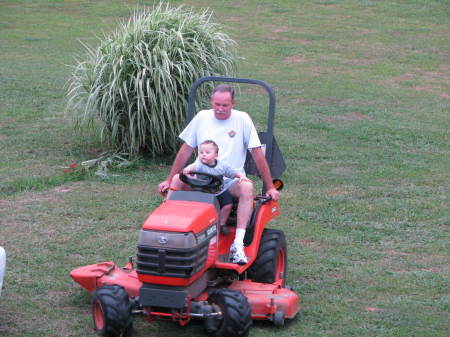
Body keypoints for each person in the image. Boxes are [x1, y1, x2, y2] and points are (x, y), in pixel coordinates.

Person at [158, 84, 280, 264]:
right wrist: (169, 179)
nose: (220, 109)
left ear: (233, 104)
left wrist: (270, 186)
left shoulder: (242, 119)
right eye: (217, 105)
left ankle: (238, 245)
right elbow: (185, 150)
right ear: (211, 102)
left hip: (229, 181)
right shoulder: (202, 118)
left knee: (247, 187)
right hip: (200, 176)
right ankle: (168, 234)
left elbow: (257, 154)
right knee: (176, 181)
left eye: (225, 105)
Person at [181, 139, 250, 234]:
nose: (203, 154)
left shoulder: (221, 166)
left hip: (219, 190)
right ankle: (197, 225)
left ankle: (221, 224)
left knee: (227, 205)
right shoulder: (200, 165)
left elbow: (233, 172)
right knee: (200, 207)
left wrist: (241, 176)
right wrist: (187, 169)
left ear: (216, 155)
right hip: (203, 191)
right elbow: (193, 166)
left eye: (207, 152)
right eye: (201, 152)